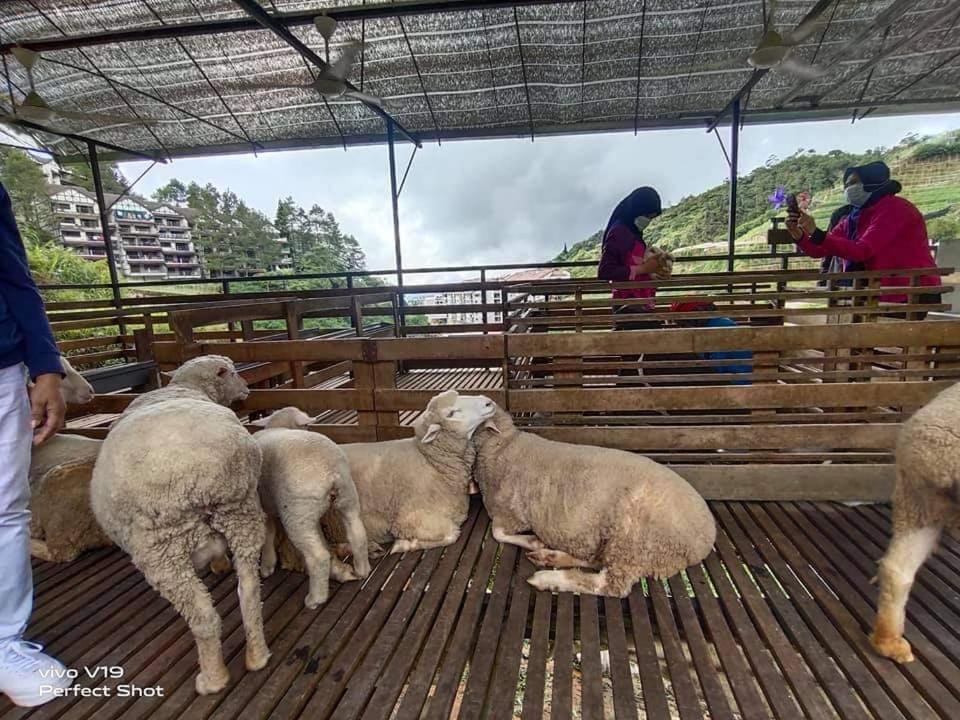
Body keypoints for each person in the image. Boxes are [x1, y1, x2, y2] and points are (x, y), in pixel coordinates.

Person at [0, 181, 73, 707]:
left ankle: (4, 642)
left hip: (1, 366)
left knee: (5, 506)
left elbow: (14, 275)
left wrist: (45, 364)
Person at [787, 161, 941, 309]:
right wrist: (798, 234)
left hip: (909, 289)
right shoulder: (854, 217)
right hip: (877, 289)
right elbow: (819, 250)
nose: (848, 188)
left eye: (853, 183)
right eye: (846, 185)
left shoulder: (895, 209)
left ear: (871, 182)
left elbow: (862, 251)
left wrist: (815, 232)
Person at [597, 187, 666, 378]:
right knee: (639, 358)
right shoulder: (619, 233)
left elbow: (630, 266)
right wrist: (644, 270)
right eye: (647, 216)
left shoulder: (633, 233)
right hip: (628, 306)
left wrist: (651, 274)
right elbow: (605, 271)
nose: (648, 221)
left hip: (639, 305)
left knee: (636, 360)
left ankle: (627, 403)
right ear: (637, 211)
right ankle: (626, 402)